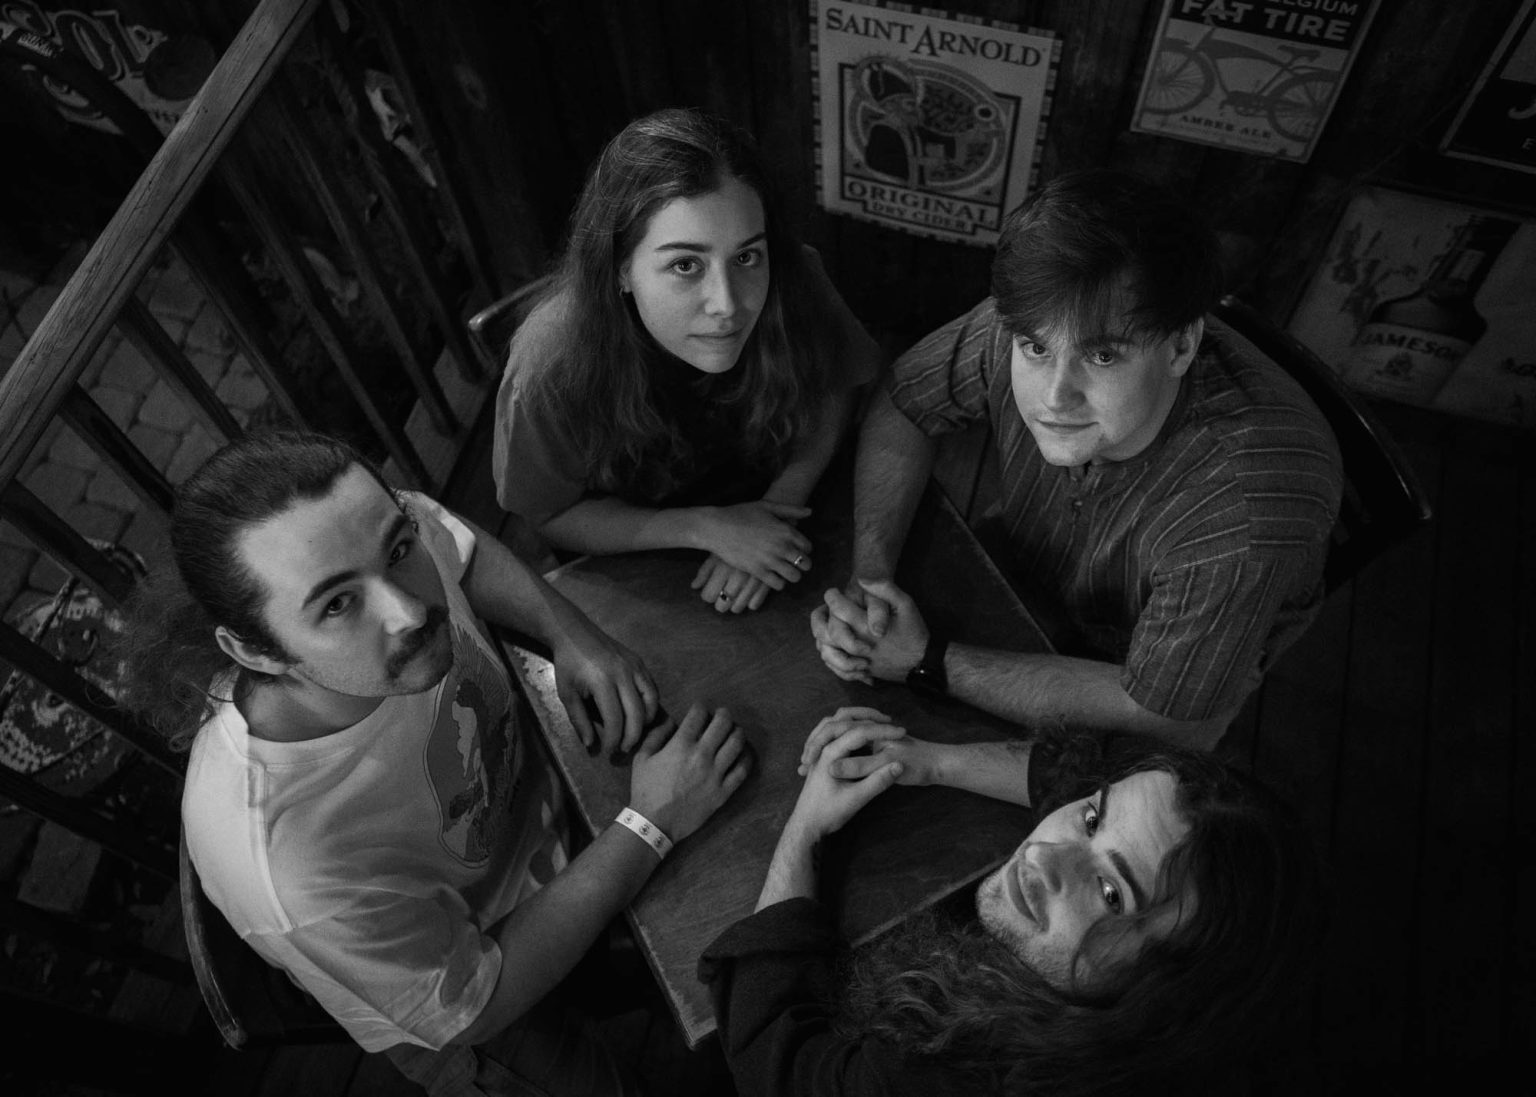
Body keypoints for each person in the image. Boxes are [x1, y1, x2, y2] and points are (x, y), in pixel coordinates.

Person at [119, 431, 752, 1096]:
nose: (412, 610)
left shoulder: (368, 534)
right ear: (256, 652)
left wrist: (570, 632)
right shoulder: (290, 866)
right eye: (338, 604)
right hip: (473, 995)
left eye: (398, 550)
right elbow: (480, 1000)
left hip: (550, 812)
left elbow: (456, 545)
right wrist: (649, 823)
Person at [811, 169, 1342, 748]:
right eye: (1035, 349)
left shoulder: (1246, 507)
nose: (1055, 396)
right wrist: (872, 578)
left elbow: (1171, 716)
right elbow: (905, 399)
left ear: (1181, 346)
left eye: (1104, 356)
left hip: (1150, 672)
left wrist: (926, 660)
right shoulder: (1044, 316)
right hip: (1021, 574)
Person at [701, 708, 1324, 1096]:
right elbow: (1076, 774)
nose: (1046, 856)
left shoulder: (949, 1079)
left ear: (1160, 1000)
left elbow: (773, 1062)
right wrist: (927, 760)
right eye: (1090, 819)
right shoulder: (1198, 1004)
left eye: (1111, 891)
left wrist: (805, 827)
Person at [493, 107, 882, 615]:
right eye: (684, 264)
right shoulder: (549, 365)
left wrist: (779, 507)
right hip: (638, 558)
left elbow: (840, 383)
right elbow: (549, 512)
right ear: (619, 269)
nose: (728, 305)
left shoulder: (793, 275)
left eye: (746, 256)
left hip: (781, 510)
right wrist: (709, 528)